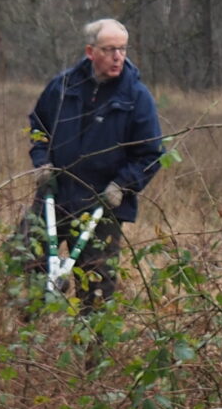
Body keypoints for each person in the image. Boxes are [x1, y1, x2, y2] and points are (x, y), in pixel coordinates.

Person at [19, 19, 163, 308]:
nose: (118, 56)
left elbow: (151, 153)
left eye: (122, 49)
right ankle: (30, 331)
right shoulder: (62, 86)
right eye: (110, 49)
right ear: (90, 52)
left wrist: (122, 186)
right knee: (25, 253)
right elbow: (39, 126)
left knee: (97, 286)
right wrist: (42, 162)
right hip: (55, 193)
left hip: (102, 201)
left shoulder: (136, 97)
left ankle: (90, 350)